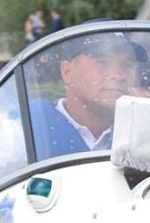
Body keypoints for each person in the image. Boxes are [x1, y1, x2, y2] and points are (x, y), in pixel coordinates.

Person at [30, 31, 141, 159]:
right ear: (67, 72)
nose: (118, 75)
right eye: (102, 63)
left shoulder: (141, 134)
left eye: (127, 65)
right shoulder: (26, 130)